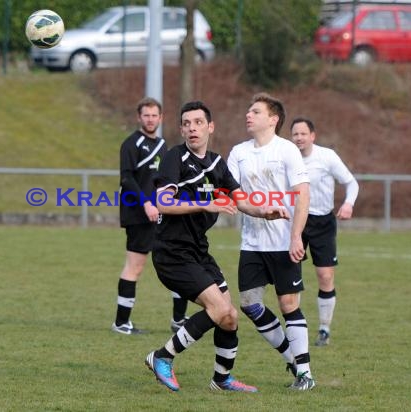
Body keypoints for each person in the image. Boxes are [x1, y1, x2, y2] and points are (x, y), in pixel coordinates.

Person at [145, 101, 290, 392]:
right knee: (218, 308)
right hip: (172, 253)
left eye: (198, 122)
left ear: (210, 127)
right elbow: (163, 203)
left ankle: (221, 379)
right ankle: (161, 356)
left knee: (229, 317)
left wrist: (265, 212)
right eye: (186, 123)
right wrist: (206, 204)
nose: (192, 128)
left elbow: (240, 199)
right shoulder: (174, 158)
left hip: (198, 251)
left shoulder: (215, 163)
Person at [227, 93, 315, 390]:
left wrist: (295, 237)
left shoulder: (287, 150)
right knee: (249, 304)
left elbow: (303, 196)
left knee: (288, 303)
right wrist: (257, 211)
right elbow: (234, 196)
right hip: (252, 243)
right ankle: (294, 357)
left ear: (273, 119)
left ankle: (305, 375)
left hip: (283, 243)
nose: (248, 115)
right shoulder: (239, 152)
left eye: (255, 111)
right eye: (248, 111)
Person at [112, 97, 189, 335]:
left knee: (177, 260)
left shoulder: (163, 145)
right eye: (146, 115)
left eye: (154, 115)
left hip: (162, 215)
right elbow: (127, 179)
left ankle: (178, 320)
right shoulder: (131, 144)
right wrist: (146, 203)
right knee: (135, 266)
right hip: (138, 215)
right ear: (139, 117)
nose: (150, 119)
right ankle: (121, 323)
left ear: (161, 117)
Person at [290, 117, 359, 346]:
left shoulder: (327, 157)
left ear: (313, 136)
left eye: (303, 133)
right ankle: (295, 327)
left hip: (323, 223)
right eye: (295, 134)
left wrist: (348, 203)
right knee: (292, 277)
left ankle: (324, 329)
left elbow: (351, 183)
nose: (299, 138)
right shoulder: (286, 157)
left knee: (325, 275)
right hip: (295, 222)